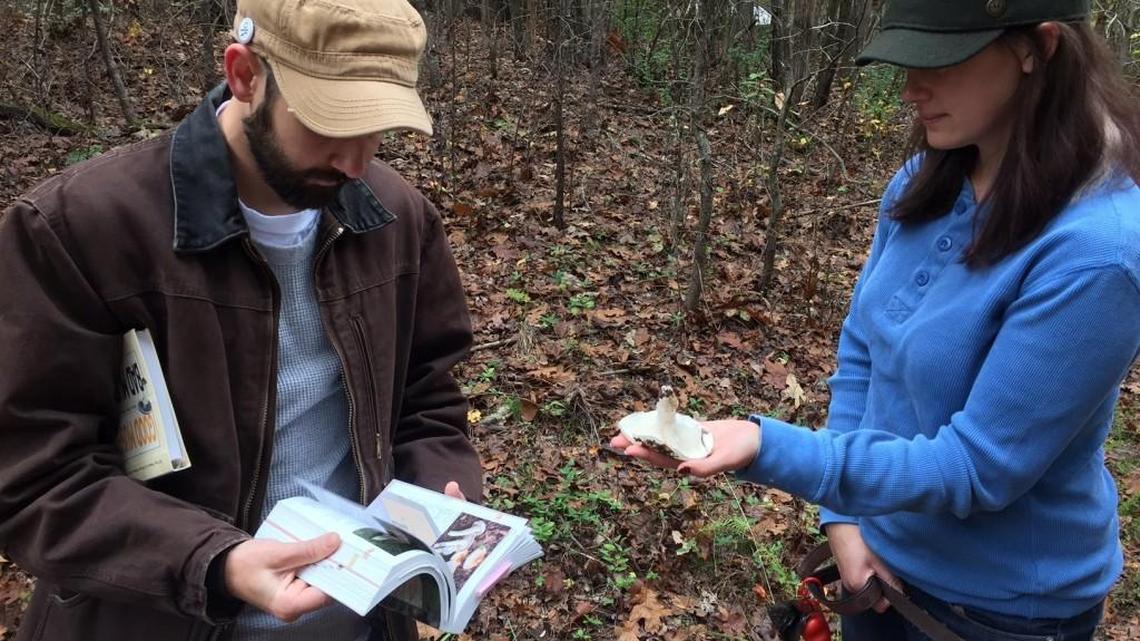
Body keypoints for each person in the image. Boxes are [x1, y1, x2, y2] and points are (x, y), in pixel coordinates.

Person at [613, 1, 1140, 639]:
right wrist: (844, 521)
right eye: (906, 61)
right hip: (876, 571)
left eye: (940, 62)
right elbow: (864, 350)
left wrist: (765, 444)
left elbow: (976, 467)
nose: (913, 89)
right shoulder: (927, 178)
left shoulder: (1098, 253)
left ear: (1038, 48)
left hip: (997, 612)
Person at [0, 0, 482, 640]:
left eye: (377, 130)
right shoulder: (78, 231)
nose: (356, 163)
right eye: (329, 124)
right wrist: (214, 563)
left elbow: (426, 399)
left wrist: (439, 494)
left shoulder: (399, 221)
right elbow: (33, 473)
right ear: (244, 75)